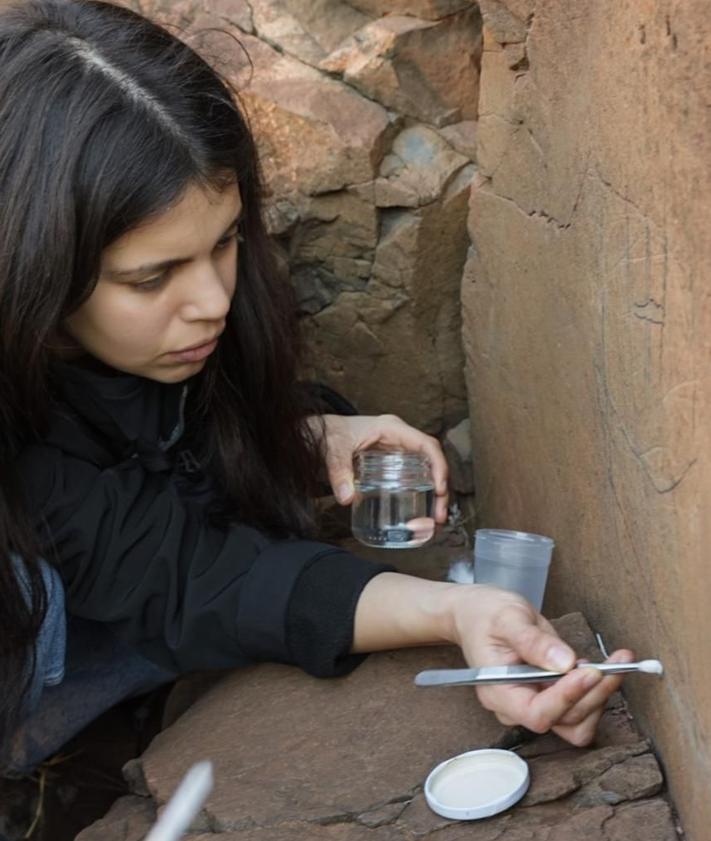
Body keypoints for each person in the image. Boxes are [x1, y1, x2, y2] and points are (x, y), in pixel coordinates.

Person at [0, 0, 633, 774]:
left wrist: (306, 434)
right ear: (33, 273)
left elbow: (175, 487)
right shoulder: (25, 436)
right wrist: (443, 608)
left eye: (227, 240)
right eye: (151, 276)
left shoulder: (175, 323)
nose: (213, 300)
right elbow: (191, 579)